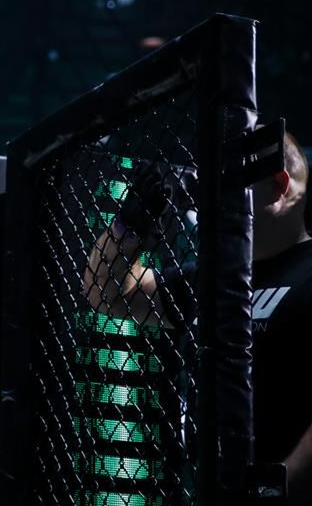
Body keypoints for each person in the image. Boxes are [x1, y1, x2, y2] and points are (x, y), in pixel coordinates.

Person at [83, 131, 312, 504]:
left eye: (227, 183)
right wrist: (130, 223)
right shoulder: (216, 279)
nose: (210, 200)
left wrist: (282, 488)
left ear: (278, 186)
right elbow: (106, 294)